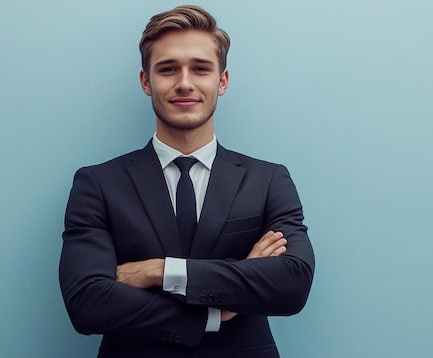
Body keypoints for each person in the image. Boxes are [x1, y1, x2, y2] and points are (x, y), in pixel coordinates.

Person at [59, 5, 315, 357]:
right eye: (168, 69)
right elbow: (87, 303)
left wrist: (162, 272)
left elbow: (292, 284)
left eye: (200, 68)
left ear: (221, 81)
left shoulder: (269, 180)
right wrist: (216, 311)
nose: (184, 83)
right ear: (146, 81)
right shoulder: (98, 184)